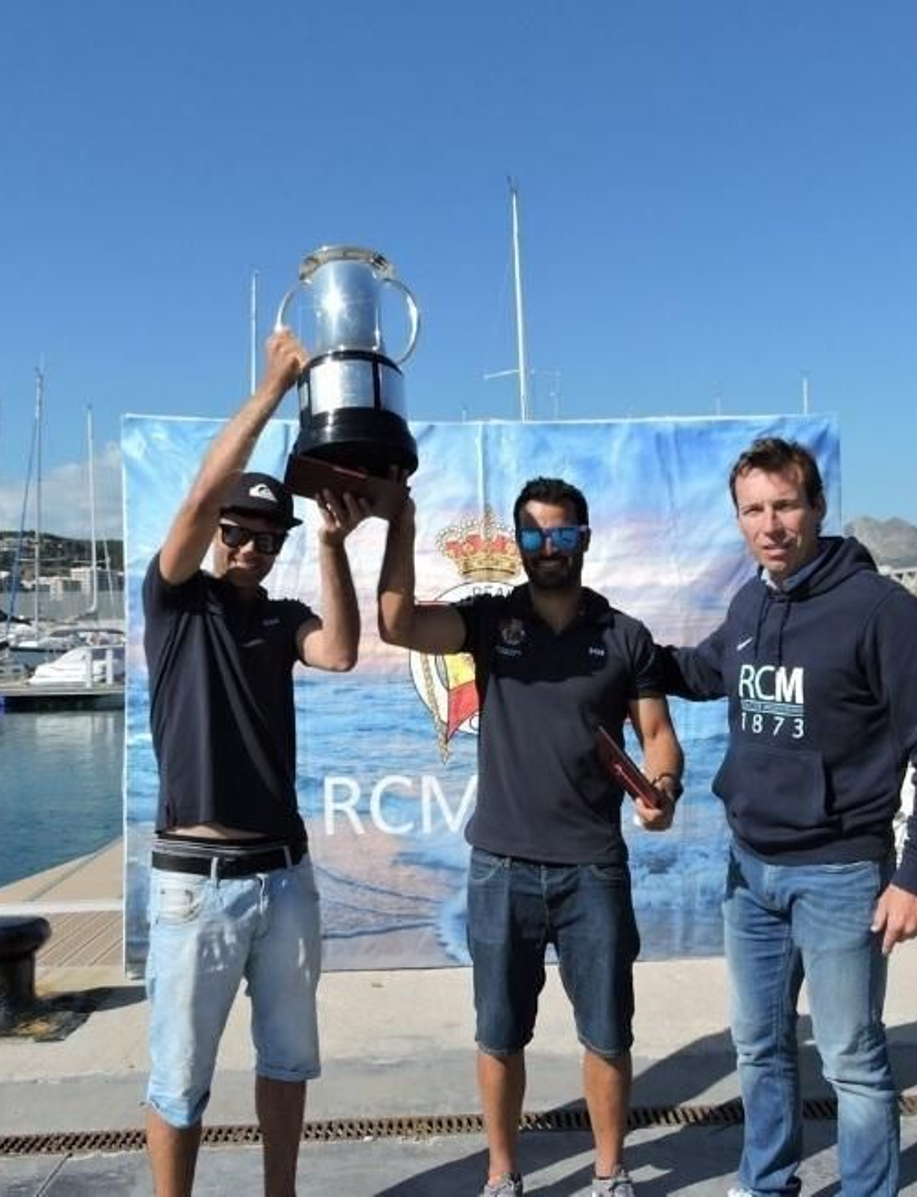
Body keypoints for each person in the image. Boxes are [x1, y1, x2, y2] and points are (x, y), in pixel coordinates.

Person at [657, 437, 917, 1197]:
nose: (771, 524)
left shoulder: (880, 610)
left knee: (851, 1059)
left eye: (785, 504)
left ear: (818, 506)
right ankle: (766, 1182)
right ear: (738, 519)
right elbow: (702, 670)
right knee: (759, 1045)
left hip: (841, 872)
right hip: (750, 869)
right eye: (753, 509)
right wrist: (619, 649)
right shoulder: (751, 599)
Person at [377, 477, 685, 1197]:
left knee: (608, 1033)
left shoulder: (624, 636)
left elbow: (660, 736)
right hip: (500, 867)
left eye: (563, 533)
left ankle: (611, 1174)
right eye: (536, 535)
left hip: (594, 871)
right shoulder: (487, 622)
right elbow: (394, 622)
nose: (550, 547)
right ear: (518, 544)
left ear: (586, 538)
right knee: (499, 1033)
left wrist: (662, 789)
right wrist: (402, 520)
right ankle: (501, 1173)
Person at [141, 328, 373, 1197]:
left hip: (283, 874)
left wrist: (329, 544)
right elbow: (204, 488)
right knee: (180, 1078)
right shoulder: (175, 602)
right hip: (195, 880)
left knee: (286, 1060)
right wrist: (273, 389)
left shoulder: (280, 619)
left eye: (264, 537)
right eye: (237, 531)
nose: (248, 546)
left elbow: (344, 650)